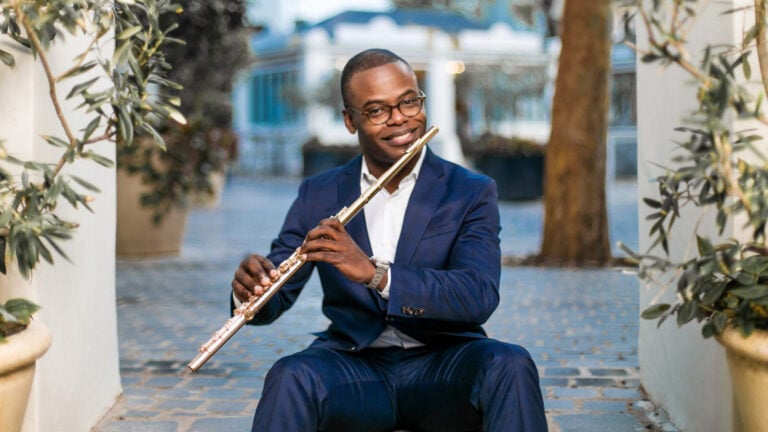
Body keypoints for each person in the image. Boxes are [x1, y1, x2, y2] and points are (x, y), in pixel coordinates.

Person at [232, 48, 547, 432]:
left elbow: (477, 295)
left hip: (443, 363)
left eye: (409, 102)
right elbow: (275, 299)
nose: (400, 119)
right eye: (378, 110)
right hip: (354, 366)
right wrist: (251, 293)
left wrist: (375, 274)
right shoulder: (320, 193)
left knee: (510, 364)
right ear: (350, 121)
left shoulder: (471, 191)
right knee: (290, 375)